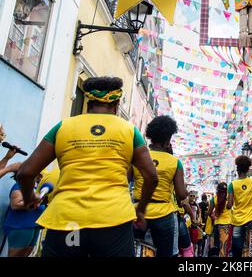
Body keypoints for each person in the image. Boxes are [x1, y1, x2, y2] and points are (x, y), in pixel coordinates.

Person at [16, 77, 159, 257]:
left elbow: (25, 172)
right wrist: (141, 209)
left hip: (69, 222)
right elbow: (152, 177)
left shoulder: (63, 127)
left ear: (88, 103)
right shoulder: (129, 131)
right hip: (113, 222)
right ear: (116, 105)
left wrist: (30, 198)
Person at [136, 116, 189, 257]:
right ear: (167, 141)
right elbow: (181, 195)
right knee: (166, 254)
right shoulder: (175, 162)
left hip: (137, 211)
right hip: (163, 215)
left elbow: (125, 180)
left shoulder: (138, 156)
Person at [3, 168, 45, 257]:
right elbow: (15, 204)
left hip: (34, 225)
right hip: (20, 226)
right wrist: (34, 202)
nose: (40, 176)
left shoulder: (36, 187)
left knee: (26, 253)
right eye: (38, 174)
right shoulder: (19, 186)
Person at [208, 182, 232, 257]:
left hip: (218, 225)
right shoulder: (230, 197)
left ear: (217, 190)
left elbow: (209, 212)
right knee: (227, 247)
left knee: (220, 247)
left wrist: (214, 217)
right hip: (229, 224)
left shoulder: (214, 199)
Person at [188, 191, 201, 256]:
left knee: (195, 241)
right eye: (191, 195)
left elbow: (199, 212)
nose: (192, 197)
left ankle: (193, 254)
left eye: (193, 196)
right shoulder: (186, 203)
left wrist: (199, 219)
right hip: (187, 225)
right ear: (188, 196)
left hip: (194, 225)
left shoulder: (196, 204)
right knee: (187, 241)